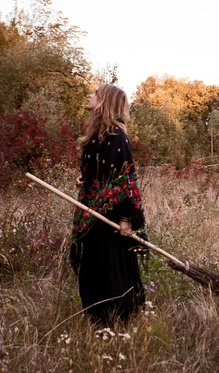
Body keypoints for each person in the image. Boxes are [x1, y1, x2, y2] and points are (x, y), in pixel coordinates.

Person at [70, 83, 147, 324]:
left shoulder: (117, 136)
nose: (89, 95)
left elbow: (126, 179)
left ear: (104, 101)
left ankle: (117, 321)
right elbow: (101, 172)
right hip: (92, 213)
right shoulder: (97, 135)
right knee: (92, 267)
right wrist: (85, 178)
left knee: (111, 268)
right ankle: (97, 319)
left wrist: (126, 219)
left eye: (94, 93)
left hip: (111, 217)